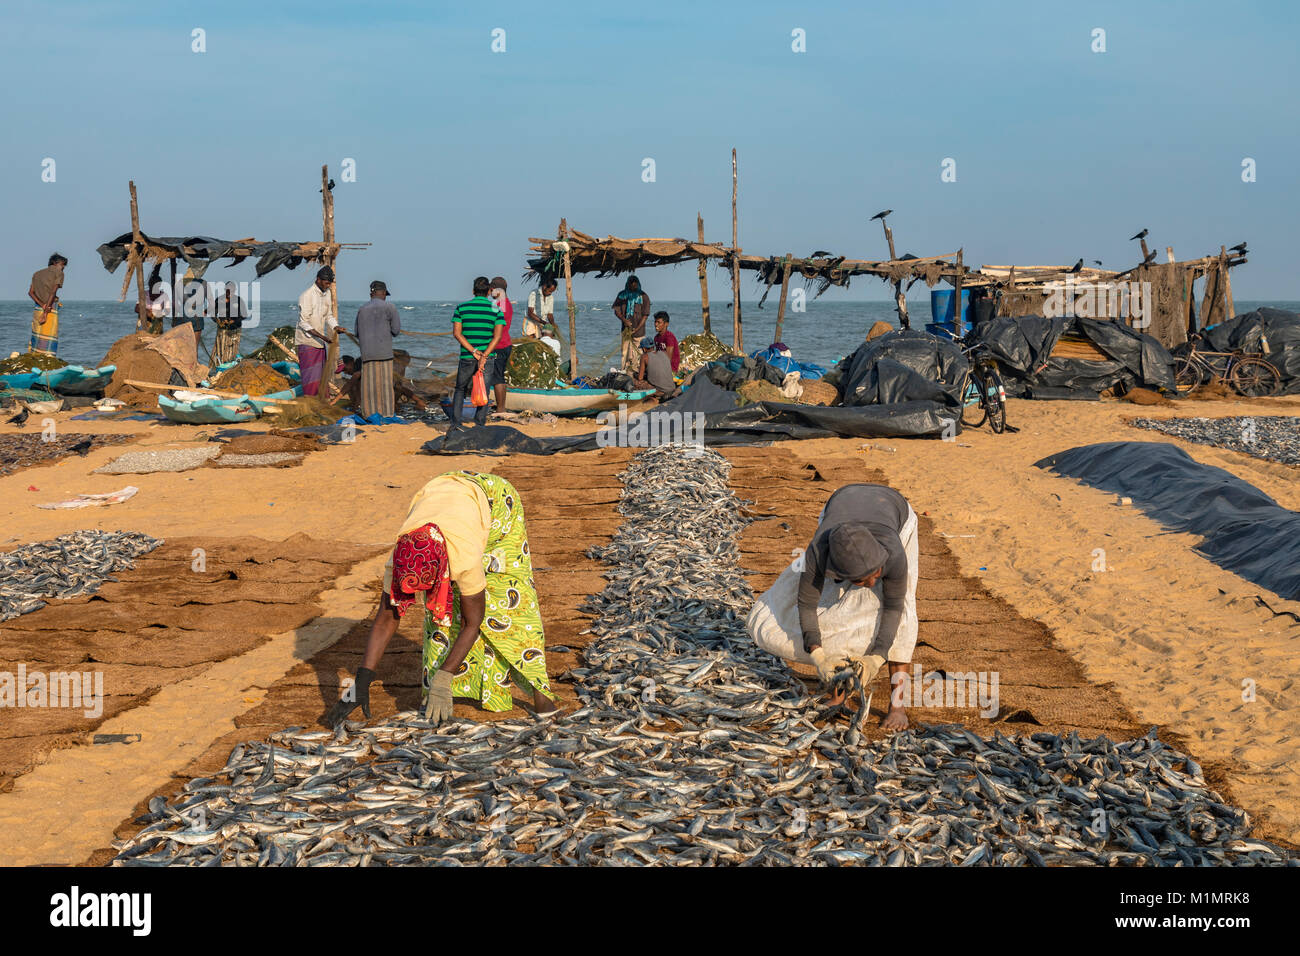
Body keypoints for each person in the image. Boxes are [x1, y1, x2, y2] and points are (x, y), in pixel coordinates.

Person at [324, 470, 558, 726]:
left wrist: (445, 675)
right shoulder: (400, 558)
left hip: (496, 502)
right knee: (440, 616)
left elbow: (473, 621)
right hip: (444, 495)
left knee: (511, 602)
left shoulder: (464, 556)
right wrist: (361, 682)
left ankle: (541, 697)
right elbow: (387, 616)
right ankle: (440, 694)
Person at [798, 484, 920, 731]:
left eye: (876, 574)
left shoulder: (894, 553)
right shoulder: (816, 553)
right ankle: (839, 693)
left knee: (905, 617)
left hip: (893, 512)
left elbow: (894, 608)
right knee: (833, 611)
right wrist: (818, 653)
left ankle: (897, 705)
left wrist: (878, 656)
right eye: (861, 581)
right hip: (841, 502)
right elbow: (807, 604)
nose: (872, 584)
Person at [449, 276, 503, 427]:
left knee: (460, 389)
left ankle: (456, 424)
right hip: (487, 357)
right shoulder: (496, 309)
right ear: (488, 292)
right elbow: (497, 337)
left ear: (473, 291)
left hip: (467, 355)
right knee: (483, 391)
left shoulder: (461, 308)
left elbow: (457, 333)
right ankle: (479, 424)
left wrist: (473, 351)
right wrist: (484, 356)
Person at [354, 280, 401, 418]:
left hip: (367, 354)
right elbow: (396, 330)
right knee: (386, 386)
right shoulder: (390, 307)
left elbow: (356, 333)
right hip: (385, 353)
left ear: (371, 293)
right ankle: (387, 414)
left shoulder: (362, 309)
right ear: (383, 293)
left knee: (369, 387)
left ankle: (369, 414)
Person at [296, 266, 339, 396]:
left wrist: (336, 327)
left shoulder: (327, 294)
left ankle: (321, 401)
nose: (328, 286)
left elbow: (329, 316)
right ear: (318, 280)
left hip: (320, 343)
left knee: (321, 378)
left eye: (329, 284)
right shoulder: (307, 295)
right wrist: (323, 336)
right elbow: (303, 322)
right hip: (307, 342)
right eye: (326, 283)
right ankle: (310, 402)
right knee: (310, 378)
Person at [28, 253, 67, 356]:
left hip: (38, 308)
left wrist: (41, 305)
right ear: (55, 263)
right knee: (49, 335)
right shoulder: (59, 273)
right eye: (62, 265)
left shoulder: (37, 274)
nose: (63, 267)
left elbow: (30, 293)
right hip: (50, 308)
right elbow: (53, 292)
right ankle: (48, 358)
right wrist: (45, 311)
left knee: (37, 334)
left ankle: (35, 355)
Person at [612, 274, 650, 371]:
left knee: (638, 353)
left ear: (638, 284)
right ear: (628, 284)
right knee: (625, 353)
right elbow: (616, 311)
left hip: (639, 332)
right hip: (626, 331)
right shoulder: (622, 295)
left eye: (635, 284)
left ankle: (636, 371)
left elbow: (645, 315)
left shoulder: (643, 296)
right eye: (631, 284)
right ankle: (624, 370)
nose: (633, 286)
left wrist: (637, 329)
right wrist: (624, 320)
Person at [487, 276, 514, 413]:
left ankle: (500, 409)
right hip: (505, 343)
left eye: (492, 289)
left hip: (499, 345)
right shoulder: (504, 302)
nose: (490, 292)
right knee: (500, 377)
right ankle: (500, 407)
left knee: (497, 378)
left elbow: (494, 326)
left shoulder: (500, 305)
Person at [212, 282, 248, 365]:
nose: (229, 293)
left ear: (234, 290)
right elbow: (213, 313)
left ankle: (230, 364)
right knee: (221, 349)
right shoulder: (219, 300)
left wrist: (234, 321)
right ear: (225, 290)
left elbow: (244, 315)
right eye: (228, 291)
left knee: (232, 350)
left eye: (231, 291)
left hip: (235, 330)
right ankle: (219, 365)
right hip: (222, 330)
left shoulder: (239, 300)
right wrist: (218, 321)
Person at [635, 336, 680, 401]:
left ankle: (656, 395)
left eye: (642, 349)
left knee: (636, 382)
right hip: (672, 388)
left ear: (644, 349)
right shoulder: (664, 353)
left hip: (661, 390)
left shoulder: (644, 357)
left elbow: (640, 378)